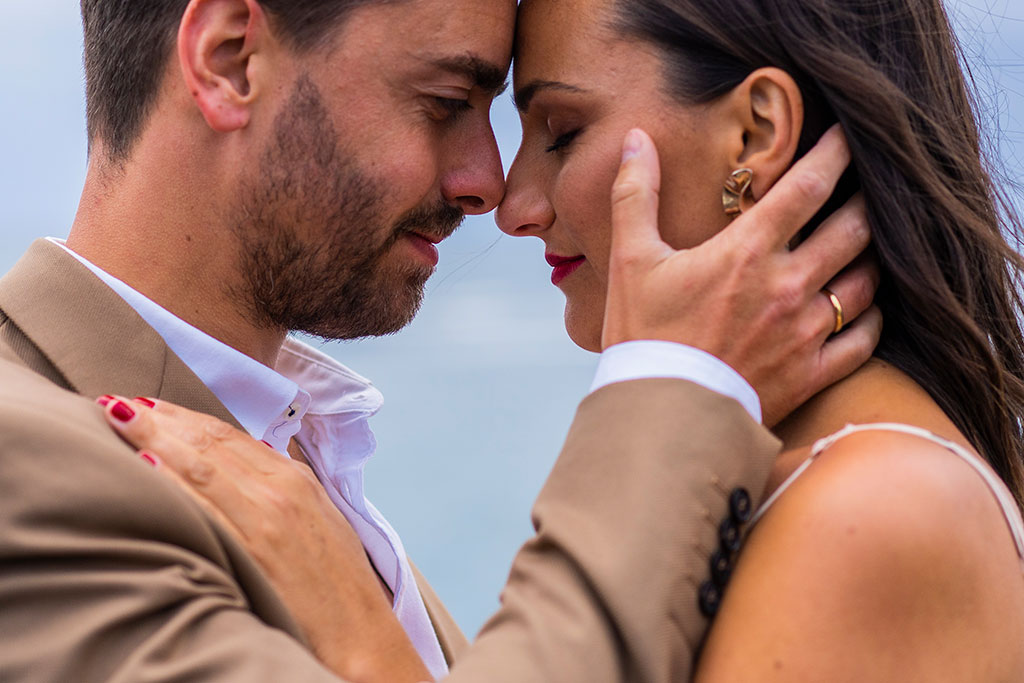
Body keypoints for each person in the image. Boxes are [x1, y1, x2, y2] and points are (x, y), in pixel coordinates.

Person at [103, 0, 1024, 680]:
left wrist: (361, 634)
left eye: (564, 130)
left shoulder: (868, 516)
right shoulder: (785, 482)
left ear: (756, 132)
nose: (511, 203)